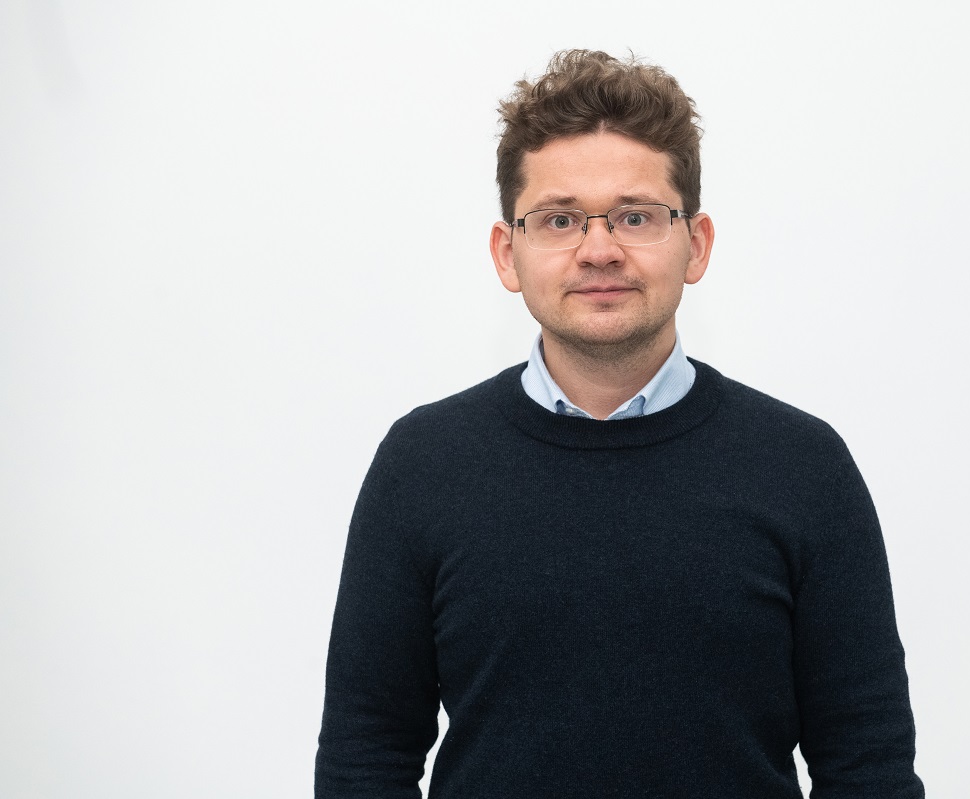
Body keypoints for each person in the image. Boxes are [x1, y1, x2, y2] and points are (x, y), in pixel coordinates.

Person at [315, 49, 923, 798]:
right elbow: (365, 757)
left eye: (636, 216)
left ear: (696, 243)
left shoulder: (804, 466)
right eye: (559, 220)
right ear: (508, 253)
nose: (599, 249)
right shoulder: (422, 465)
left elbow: (868, 765)